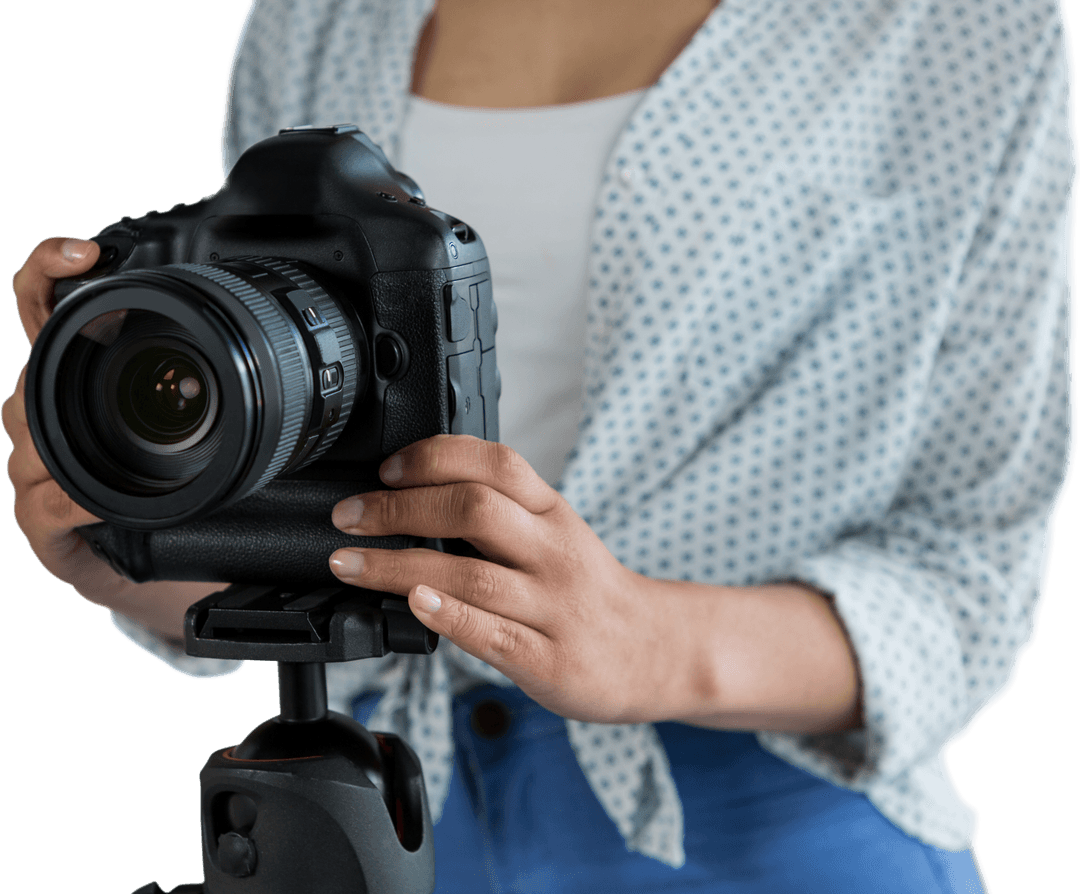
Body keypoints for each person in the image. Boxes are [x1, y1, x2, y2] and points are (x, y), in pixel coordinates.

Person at [5, 0, 1074, 891]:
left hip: (779, 828)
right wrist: (131, 539)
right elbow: (306, 504)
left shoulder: (963, 25)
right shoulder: (311, 17)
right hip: (382, 813)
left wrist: (646, 643)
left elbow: (970, 578)